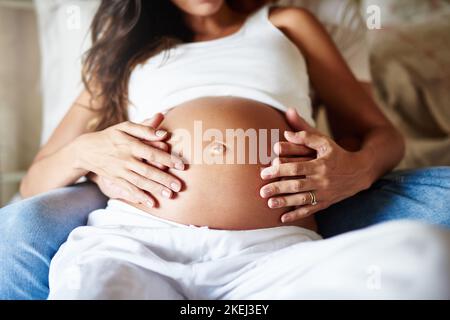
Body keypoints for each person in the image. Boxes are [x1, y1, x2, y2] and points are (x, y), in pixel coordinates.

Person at [1, 0, 449, 299]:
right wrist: (86, 153)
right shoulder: (123, 56)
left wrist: (357, 169)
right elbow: (36, 182)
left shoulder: (284, 22)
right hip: (136, 245)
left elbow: (380, 133)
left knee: (427, 255)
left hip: (274, 255)